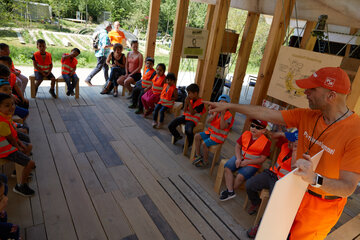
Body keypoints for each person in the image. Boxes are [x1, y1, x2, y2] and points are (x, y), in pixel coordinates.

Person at [205, 67, 360, 239]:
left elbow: (348, 187)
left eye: (312, 89)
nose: (305, 92)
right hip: (293, 191)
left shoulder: (356, 132)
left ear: (331, 96)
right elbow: (266, 113)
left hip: (320, 208)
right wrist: (229, 105)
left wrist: (314, 178)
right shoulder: (307, 115)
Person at [246, 130, 297, 238]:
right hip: (271, 174)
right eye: (289, 139)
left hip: (282, 182)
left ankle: (260, 227)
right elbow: (277, 137)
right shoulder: (284, 145)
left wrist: (296, 150)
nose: (289, 142)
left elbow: (294, 169)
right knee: (250, 184)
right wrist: (283, 134)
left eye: (292, 141)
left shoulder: (302, 157)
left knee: (274, 203)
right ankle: (256, 203)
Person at [219, 119, 271, 201]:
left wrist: (248, 162)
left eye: (258, 127)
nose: (254, 128)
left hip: (252, 163)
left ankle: (231, 190)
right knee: (227, 167)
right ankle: (230, 191)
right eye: (252, 126)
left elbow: (262, 159)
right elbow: (237, 146)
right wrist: (238, 158)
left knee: (240, 176)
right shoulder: (246, 134)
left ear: (264, 130)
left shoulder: (266, 142)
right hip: (240, 157)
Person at [0, 93, 35, 197]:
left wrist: (19, 144)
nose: (11, 107)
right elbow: (11, 140)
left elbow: (13, 135)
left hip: (7, 146)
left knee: (28, 146)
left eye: (12, 104)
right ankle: (21, 186)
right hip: (4, 150)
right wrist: (18, 147)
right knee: (30, 163)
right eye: (7, 105)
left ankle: (18, 171)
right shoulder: (1, 122)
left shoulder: (5, 116)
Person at [192, 94, 234, 167]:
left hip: (219, 137)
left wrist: (222, 114)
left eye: (224, 103)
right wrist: (215, 113)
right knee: (196, 136)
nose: (221, 105)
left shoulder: (229, 115)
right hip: (211, 133)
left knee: (204, 144)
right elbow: (208, 121)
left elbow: (222, 127)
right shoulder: (216, 111)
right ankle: (198, 156)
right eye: (220, 103)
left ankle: (205, 161)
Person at [85, 21, 112, 86]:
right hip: (102, 54)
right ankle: (88, 79)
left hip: (100, 53)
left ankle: (107, 82)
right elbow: (104, 46)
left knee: (106, 68)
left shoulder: (101, 32)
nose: (111, 28)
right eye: (110, 27)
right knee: (98, 68)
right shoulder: (105, 35)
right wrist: (112, 45)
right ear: (107, 27)